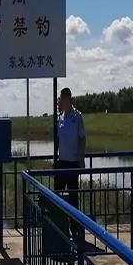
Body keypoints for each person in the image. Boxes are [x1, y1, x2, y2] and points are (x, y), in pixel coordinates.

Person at [56, 87, 86, 235]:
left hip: (73, 163)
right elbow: (57, 139)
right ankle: (59, 228)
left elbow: (82, 139)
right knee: (57, 196)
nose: (61, 102)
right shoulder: (59, 118)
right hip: (61, 163)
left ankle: (75, 229)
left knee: (73, 197)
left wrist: (81, 158)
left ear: (69, 100)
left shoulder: (77, 117)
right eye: (60, 99)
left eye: (63, 99)